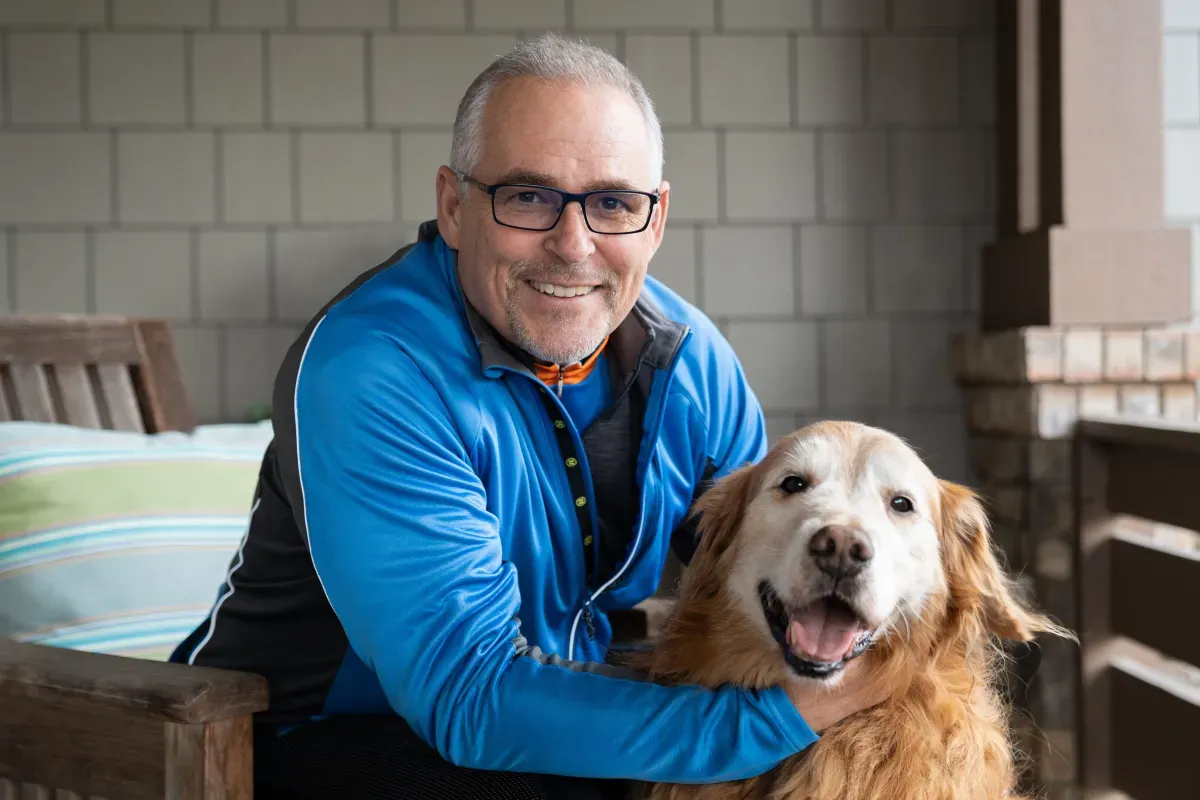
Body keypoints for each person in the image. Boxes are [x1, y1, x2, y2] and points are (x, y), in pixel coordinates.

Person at [171, 32, 883, 799]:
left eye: (613, 203)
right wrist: (773, 722)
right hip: (296, 744)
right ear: (453, 205)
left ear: (657, 218)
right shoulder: (374, 367)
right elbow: (468, 696)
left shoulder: (692, 367)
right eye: (528, 197)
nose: (573, 246)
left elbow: (755, 580)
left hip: (555, 721)